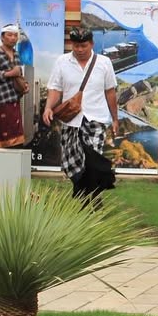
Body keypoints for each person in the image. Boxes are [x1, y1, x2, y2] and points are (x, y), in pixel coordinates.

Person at [43, 27, 119, 201]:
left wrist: (115, 118)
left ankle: (91, 199)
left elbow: (110, 92)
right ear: (72, 45)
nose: (80, 49)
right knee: (73, 163)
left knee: (92, 161)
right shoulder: (62, 61)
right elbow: (55, 88)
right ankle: (82, 196)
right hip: (71, 121)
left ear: (91, 44)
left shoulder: (104, 62)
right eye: (76, 46)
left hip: (96, 120)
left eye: (84, 45)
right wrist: (48, 107)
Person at [0, 24, 26, 148]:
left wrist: (24, 85)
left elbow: (19, 75)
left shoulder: (16, 54)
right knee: (4, 140)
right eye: (9, 35)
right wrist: (8, 73)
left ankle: (13, 166)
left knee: (16, 141)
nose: (13, 38)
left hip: (14, 101)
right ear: (2, 37)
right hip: (1, 102)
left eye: (15, 35)